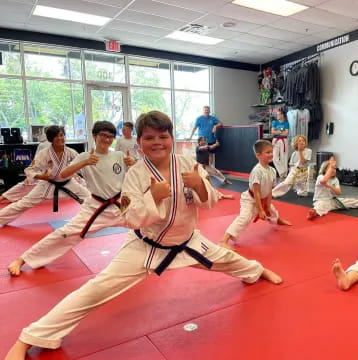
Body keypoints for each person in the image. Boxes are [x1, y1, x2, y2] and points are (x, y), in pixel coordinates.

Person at [5, 111, 282, 360]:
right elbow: (130, 217)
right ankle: (30, 337)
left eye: (163, 136)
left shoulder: (189, 165)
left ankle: (257, 270)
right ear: (139, 142)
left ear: (172, 138)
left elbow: (208, 203)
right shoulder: (135, 175)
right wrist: (153, 197)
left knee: (230, 260)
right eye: (149, 137)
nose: (157, 142)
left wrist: (200, 186)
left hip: (188, 242)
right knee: (95, 289)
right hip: (144, 246)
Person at [7, 121, 136, 276]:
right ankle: (23, 259)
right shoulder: (84, 156)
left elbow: (137, 175)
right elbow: (64, 173)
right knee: (64, 233)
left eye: (111, 136)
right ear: (94, 136)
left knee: (150, 219)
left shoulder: (119, 155)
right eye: (103, 135)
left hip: (120, 204)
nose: (107, 139)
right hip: (96, 206)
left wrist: (134, 163)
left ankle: (164, 255)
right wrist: (85, 163)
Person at [0, 126, 90, 226]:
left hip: (69, 183)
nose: (60, 138)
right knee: (24, 203)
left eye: (61, 135)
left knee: (90, 199)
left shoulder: (71, 152)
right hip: (48, 184)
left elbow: (81, 168)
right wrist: (41, 176)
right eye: (56, 136)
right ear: (50, 139)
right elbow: (29, 169)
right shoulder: (44, 154)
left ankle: (99, 218)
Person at [219, 140, 291, 250]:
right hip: (250, 199)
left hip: (263, 198)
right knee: (245, 218)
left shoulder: (272, 170)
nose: (271, 154)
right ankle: (224, 240)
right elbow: (256, 192)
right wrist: (260, 209)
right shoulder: (257, 171)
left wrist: (267, 205)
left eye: (272, 152)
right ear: (258, 155)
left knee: (271, 209)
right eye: (267, 152)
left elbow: (269, 191)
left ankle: (277, 220)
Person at [307, 156, 358, 220]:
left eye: (334, 168)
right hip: (321, 200)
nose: (334, 170)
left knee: (352, 201)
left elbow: (339, 192)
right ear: (325, 170)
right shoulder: (320, 177)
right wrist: (331, 166)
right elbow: (324, 181)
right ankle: (313, 213)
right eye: (331, 168)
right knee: (321, 206)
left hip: (333, 200)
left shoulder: (335, 179)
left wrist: (330, 186)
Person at [0, 132, 51, 204]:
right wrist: (30, 176)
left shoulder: (62, 148)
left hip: (54, 177)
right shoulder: (43, 145)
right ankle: (2, 197)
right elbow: (35, 161)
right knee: (26, 184)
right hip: (42, 174)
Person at [271, 108, 290, 179]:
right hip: (275, 140)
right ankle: (282, 171)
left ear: (282, 115)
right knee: (274, 158)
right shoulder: (274, 122)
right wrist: (281, 132)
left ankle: (284, 175)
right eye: (277, 114)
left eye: (279, 114)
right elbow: (273, 131)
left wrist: (278, 131)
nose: (277, 116)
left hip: (284, 141)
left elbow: (286, 133)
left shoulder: (286, 123)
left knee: (284, 158)